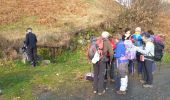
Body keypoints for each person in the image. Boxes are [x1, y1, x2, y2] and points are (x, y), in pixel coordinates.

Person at [93, 31, 113, 95]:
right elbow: (111, 53)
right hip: (102, 60)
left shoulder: (96, 40)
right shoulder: (107, 42)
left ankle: (95, 89)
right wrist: (110, 60)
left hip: (95, 59)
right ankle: (100, 91)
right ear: (107, 36)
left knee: (95, 74)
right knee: (101, 75)